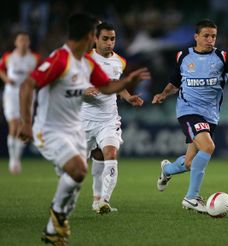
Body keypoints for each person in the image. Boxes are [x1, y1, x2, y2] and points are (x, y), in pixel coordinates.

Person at [18, 13, 150, 246]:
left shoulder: (87, 63)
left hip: (80, 127)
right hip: (51, 128)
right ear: (91, 36)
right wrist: (26, 122)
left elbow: (108, 87)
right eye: (100, 35)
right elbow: (28, 85)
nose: (109, 42)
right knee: (75, 172)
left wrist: (127, 84)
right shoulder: (61, 59)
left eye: (112, 38)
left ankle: (57, 225)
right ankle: (58, 219)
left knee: (77, 175)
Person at [152, 19, 228, 214]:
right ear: (196, 37)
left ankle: (166, 170)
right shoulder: (183, 56)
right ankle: (191, 198)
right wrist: (163, 94)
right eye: (206, 36)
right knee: (209, 147)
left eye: (213, 36)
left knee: (189, 163)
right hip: (188, 111)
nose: (210, 39)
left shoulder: (222, 57)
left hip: (210, 115)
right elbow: (174, 83)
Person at [80, 22, 144, 215]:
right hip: (83, 120)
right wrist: (82, 91)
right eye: (105, 39)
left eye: (113, 39)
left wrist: (127, 96)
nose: (109, 43)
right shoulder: (83, 60)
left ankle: (102, 201)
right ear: (95, 39)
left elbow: (116, 84)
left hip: (108, 119)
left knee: (109, 154)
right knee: (78, 168)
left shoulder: (120, 61)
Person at [0, 31, 40, 174]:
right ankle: (13, 159)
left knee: (22, 126)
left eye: (25, 40)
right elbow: (1, 70)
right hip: (11, 94)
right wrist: (6, 80)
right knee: (14, 124)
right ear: (16, 42)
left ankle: (17, 158)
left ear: (28, 42)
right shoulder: (8, 57)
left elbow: (40, 75)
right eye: (20, 40)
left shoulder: (35, 58)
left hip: (27, 95)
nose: (23, 42)